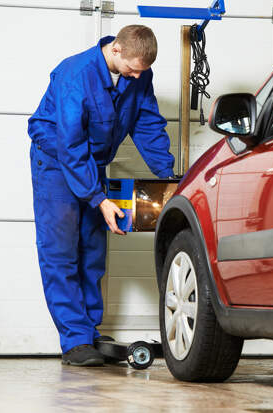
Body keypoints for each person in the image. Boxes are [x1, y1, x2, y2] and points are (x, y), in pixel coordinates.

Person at [27, 25, 175, 366]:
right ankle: (75, 340)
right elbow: (70, 144)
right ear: (116, 49)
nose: (136, 76)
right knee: (61, 252)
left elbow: (147, 124)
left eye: (142, 72)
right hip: (56, 162)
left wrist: (169, 176)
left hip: (91, 163)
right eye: (133, 69)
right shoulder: (75, 74)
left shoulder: (139, 74)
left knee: (92, 251)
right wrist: (98, 197)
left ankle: (89, 331)